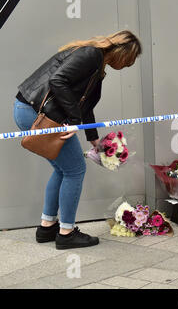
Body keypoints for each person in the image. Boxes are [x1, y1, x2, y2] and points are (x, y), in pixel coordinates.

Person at [13, 30, 142, 250]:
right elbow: (58, 81)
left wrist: (93, 138)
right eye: (130, 60)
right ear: (122, 53)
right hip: (38, 116)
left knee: (63, 170)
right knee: (75, 170)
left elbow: (85, 105)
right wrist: (73, 121)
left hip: (29, 110)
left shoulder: (96, 63)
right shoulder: (91, 55)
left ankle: (47, 227)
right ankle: (66, 233)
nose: (128, 65)